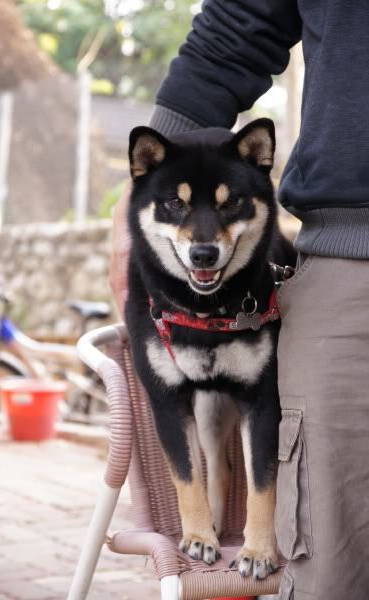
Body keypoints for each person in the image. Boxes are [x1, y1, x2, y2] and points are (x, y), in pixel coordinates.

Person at [110, 2, 369, 598]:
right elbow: (235, 26)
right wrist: (134, 210)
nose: (203, 239)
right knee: (336, 564)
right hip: (349, 259)